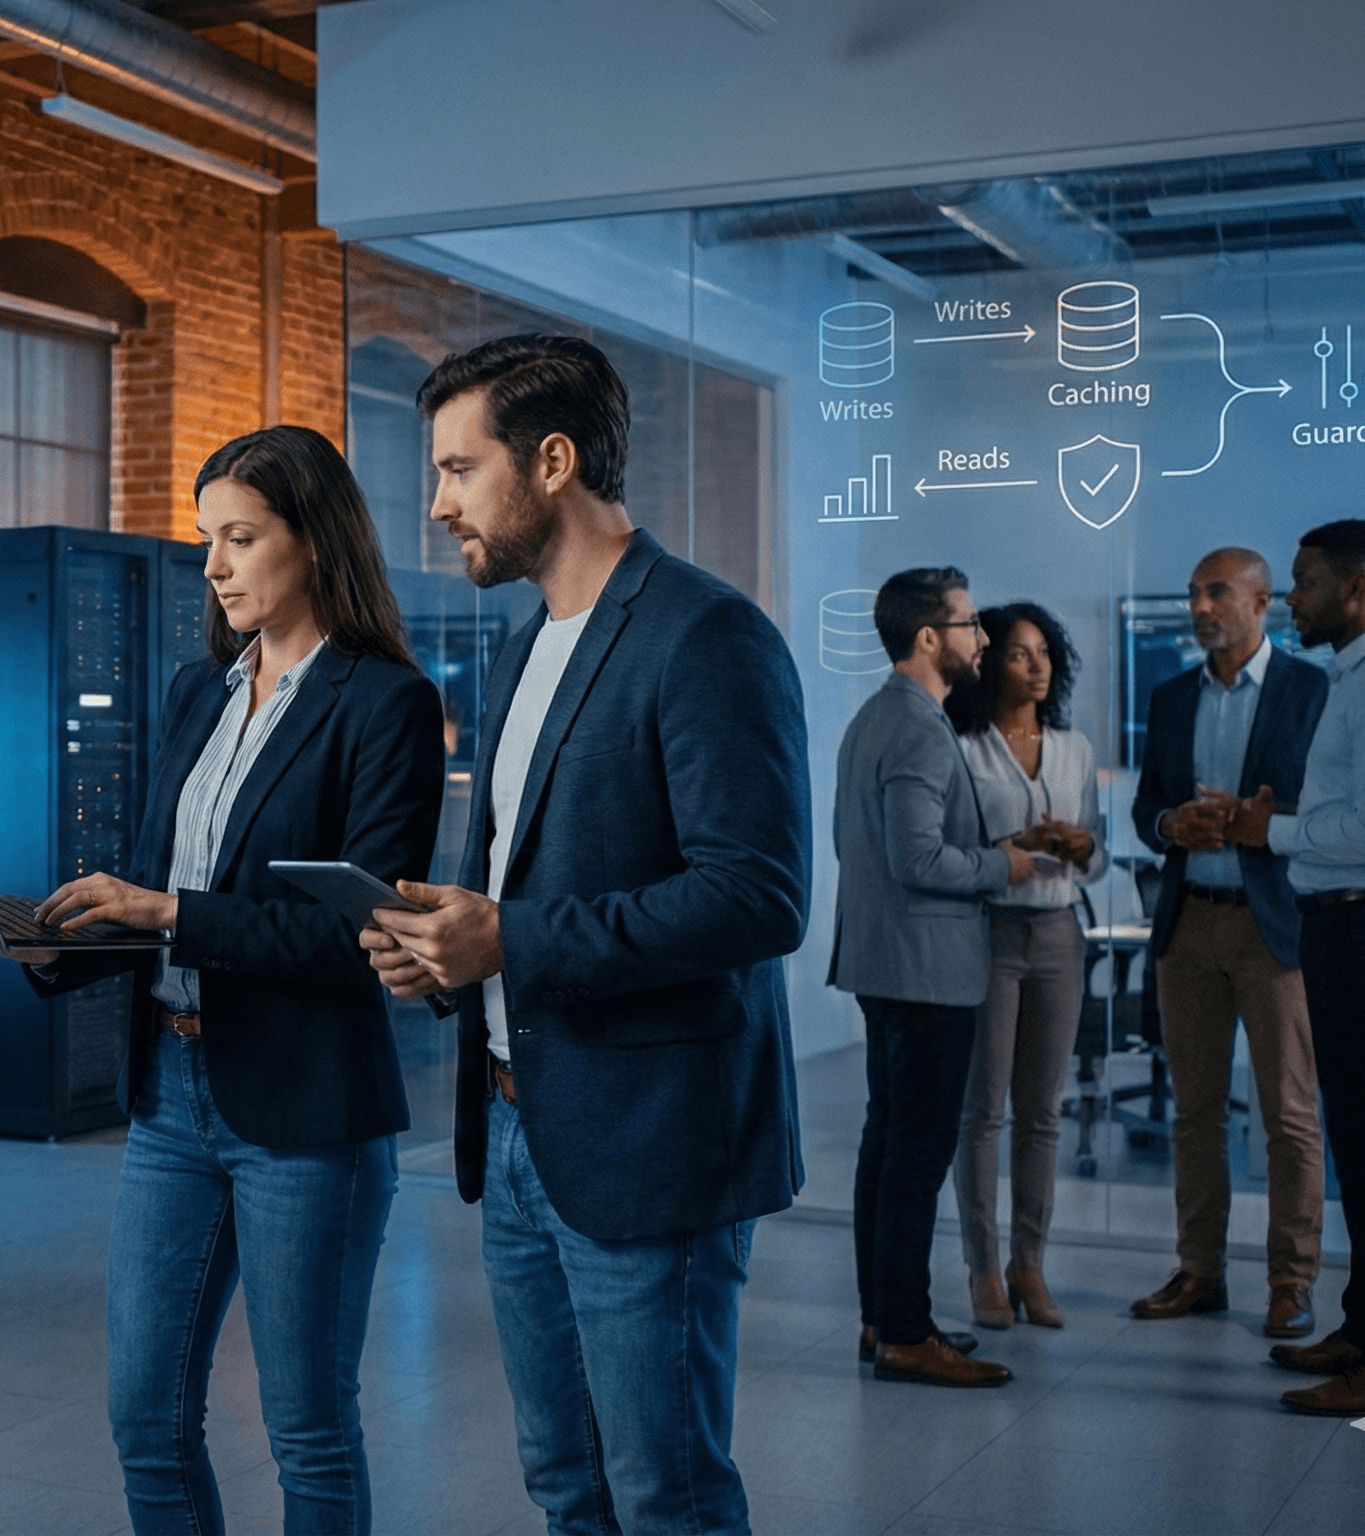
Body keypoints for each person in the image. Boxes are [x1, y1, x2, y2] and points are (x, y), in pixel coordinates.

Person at [0, 424, 444, 1534]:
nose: (212, 567)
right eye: (205, 538)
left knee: (308, 1425)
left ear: (312, 542)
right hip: (170, 1097)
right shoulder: (195, 693)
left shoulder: (382, 703)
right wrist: (44, 937)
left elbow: (353, 939)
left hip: (305, 1107)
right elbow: (152, 901)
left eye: (239, 538)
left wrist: (163, 911)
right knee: (144, 1416)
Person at [359, 333, 810, 1535]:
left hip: (649, 1142)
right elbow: (517, 880)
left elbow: (758, 897)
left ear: (550, 460)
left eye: (459, 469)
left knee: (664, 1494)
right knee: (564, 1484)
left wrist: (507, 939)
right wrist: (441, 954)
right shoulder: (524, 647)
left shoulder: (706, 635)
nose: (438, 502)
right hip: (520, 1122)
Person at [1216, 520, 1365, 1416]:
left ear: (1357, 588)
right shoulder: (1358, 679)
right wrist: (1292, 817)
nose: (1292, 599)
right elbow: (1361, 813)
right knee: (1360, 1141)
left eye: (1305, 583)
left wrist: (1266, 829)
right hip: (1351, 925)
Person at [830, 566, 1031, 1389]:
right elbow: (917, 858)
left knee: (890, 1147)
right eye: (969, 624)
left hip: (889, 963)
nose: (982, 639)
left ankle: (887, 1316)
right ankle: (908, 1334)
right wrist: (1004, 864)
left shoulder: (876, 718)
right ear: (927, 638)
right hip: (924, 971)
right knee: (915, 1154)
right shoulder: (914, 725)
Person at [1126, 548, 1330, 1340]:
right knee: (1196, 1112)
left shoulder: (1312, 691)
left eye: (1216, 592)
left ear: (1263, 600)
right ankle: (1199, 1272)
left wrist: (1260, 823)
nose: (1199, 606)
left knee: (1288, 1114)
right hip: (1190, 923)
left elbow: (1330, 810)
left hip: (1272, 924)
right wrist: (1174, 824)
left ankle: (1291, 1281)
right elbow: (1149, 808)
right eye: (1192, 592)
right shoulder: (1172, 696)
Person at [945, 602, 1105, 1332]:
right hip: (989, 932)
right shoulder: (964, 745)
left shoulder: (1074, 747)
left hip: (1059, 934)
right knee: (983, 1112)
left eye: (1044, 652)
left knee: (1042, 1114)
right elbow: (953, 849)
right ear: (990, 663)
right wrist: (1016, 840)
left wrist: (1079, 847)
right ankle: (983, 1268)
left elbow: (1099, 859)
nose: (1037, 666)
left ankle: (1029, 1265)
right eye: (1019, 652)